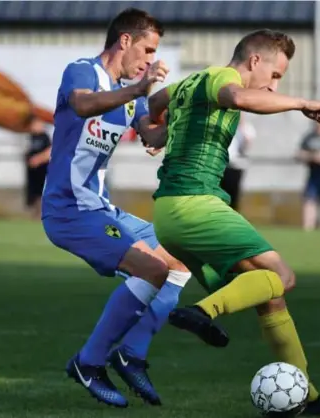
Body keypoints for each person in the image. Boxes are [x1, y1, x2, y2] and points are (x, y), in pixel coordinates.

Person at [146, 29, 320, 416]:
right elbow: (238, 97)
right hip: (196, 205)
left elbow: (153, 104)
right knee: (283, 275)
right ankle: (202, 312)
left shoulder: (189, 83)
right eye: (275, 76)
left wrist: (153, 129)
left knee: (269, 294)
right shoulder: (225, 78)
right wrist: (301, 103)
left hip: (168, 217)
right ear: (254, 61)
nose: (273, 87)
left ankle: (309, 401)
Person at [41, 9, 197, 408]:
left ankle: (131, 354)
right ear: (124, 41)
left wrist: (185, 118)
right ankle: (89, 362)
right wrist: (140, 88)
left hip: (102, 210)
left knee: (178, 260)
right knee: (153, 269)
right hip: (69, 212)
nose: (150, 58)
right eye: (147, 49)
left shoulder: (132, 94)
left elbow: (150, 134)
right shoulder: (82, 72)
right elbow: (83, 105)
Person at [297, 124, 320, 231]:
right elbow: (299, 153)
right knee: (309, 201)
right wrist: (313, 156)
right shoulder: (309, 137)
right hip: (313, 176)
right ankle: (308, 228)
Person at [220, 112, 256, 211]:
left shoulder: (246, 128)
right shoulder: (224, 125)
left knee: (233, 194)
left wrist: (242, 128)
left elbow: (246, 146)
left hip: (236, 165)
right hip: (222, 164)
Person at [24, 114, 52, 219]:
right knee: (33, 193)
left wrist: (38, 159)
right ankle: (35, 214)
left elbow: (49, 152)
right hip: (32, 171)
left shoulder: (45, 137)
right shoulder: (30, 137)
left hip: (43, 169)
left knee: (42, 192)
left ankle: (41, 214)